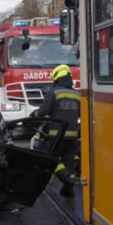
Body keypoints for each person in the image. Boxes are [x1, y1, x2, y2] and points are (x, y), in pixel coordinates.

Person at [31, 64, 81, 197]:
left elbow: (43, 111)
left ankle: (66, 179)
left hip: (56, 136)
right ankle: (68, 189)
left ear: (57, 79)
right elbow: (81, 114)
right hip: (73, 136)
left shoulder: (54, 92)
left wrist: (33, 115)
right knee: (68, 162)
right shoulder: (77, 94)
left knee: (51, 160)